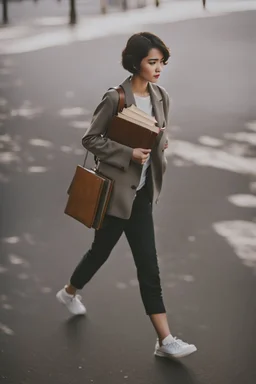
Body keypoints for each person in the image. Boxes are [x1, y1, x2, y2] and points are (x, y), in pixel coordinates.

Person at [56, 32, 197, 359]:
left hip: (142, 195)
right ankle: (69, 291)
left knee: (148, 265)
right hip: (115, 196)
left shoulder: (162, 96)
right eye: (152, 62)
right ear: (136, 63)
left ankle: (165, 341)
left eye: (162, 62)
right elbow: (90, 139)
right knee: (99, 253)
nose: (159, 68)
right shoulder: (115, 98)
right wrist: (127, 153)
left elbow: (160, 140)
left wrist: (160, 145)